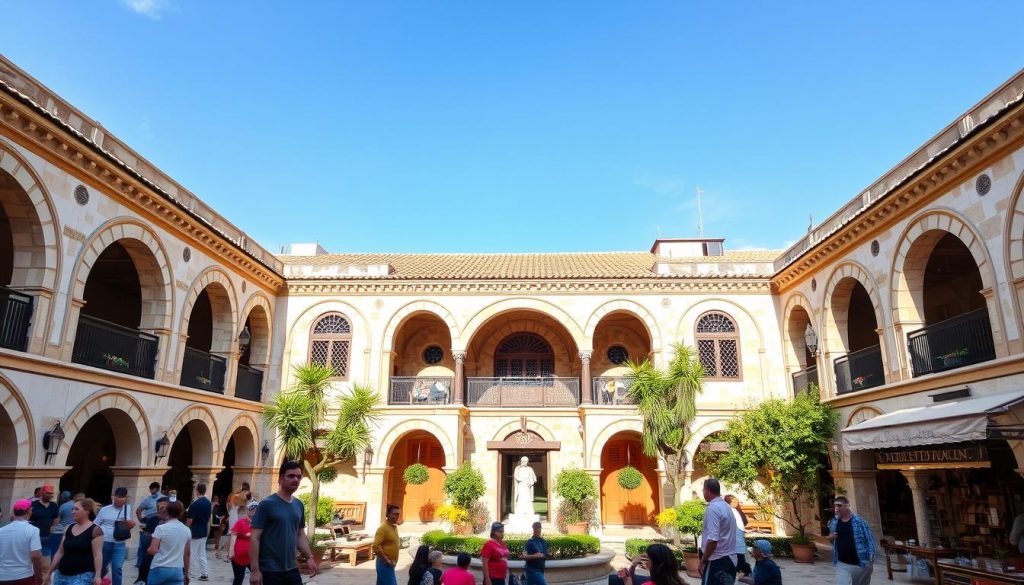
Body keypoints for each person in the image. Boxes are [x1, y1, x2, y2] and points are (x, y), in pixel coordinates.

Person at [250, 461, 317, 585]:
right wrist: (255, 570)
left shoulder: (299, 505)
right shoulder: (267, 504)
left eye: (298, 476)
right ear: (280, 479)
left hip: (292, 570)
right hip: (269, 571)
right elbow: (254, 537)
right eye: (291, 476)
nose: (295, 479)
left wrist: (309, 557)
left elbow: (300, 534)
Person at [45, 498, 103, 585]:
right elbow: (60, 552)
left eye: (76, 509)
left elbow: (97, 555)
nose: (73, 512)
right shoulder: (68, 528)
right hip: (61, 574)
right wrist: (49, 572)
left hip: (82, 576)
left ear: (87, 511)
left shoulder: (95, 530)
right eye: (72, 509)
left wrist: (97, 575)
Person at [828, 496, 876, 585]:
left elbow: (870, 540)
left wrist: (870, 561)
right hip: (842, 564)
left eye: (839, 506)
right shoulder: (833, 523)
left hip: (861, 564)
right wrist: (831, 538)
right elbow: (834, 541)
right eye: (835, 506)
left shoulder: (860, 522)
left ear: (847, 506)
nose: (836, 508)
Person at [699, 479, 738, 585]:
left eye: (703, 490)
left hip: (717, 561)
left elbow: (713, 540)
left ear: (707, 491)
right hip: (729, 559)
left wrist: (703, 560)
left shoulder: (713, 508)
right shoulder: (726, 506)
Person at [95, 487, 135, 585]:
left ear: (125, 498)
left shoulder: (127, 508)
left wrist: (130, 523)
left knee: (117, 567)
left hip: (119, 543)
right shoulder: (105, 510)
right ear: (113, 497)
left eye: (122, 497)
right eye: (118, 497)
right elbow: (96, 524)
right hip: (105, 542)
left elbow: (131, 525)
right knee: (102, 566)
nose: (120, 499)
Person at [147, 501, 191, 585]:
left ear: (167, 511)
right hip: (177, 570)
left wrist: (147, 548)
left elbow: (152, 550)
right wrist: (186, 574)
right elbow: (187, 553)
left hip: (159, 568)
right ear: (181, 512)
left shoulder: (161, 528)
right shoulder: (187, 530)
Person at [0, 499, 43, 585]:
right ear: (29, 511)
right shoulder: (33, 530)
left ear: (14, 512)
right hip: (24, 576)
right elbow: (36, 556)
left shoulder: (1, 530)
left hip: (2, 577)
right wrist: (39, 575)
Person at [612, 543, 683, 585]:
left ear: (657, 565)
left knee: (615, 579)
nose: (645, 562)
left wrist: (627, 582)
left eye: (647, 559)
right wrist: (633, 566)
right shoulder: (678, 581)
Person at [136, 497, 170, 585]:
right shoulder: (152, 519)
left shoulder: (176, 521)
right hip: (153, 557)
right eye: (158, 507)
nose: (160, 510)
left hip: (169, 562)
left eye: (162, 508)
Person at [185, 484, 211, 581]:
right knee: (202, 553)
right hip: (203, 530)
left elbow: (190, 520)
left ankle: (188, 572)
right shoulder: (208, 503)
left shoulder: (194, 504)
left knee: (190, 552)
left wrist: (186, 529)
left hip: (195, 531)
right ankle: (204, 573)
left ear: (197, 491)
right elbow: (208, 518)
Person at [135, 483, 164, 571]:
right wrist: (142, 522)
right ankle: (140, 564)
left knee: (153, 547)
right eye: (151, 489)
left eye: (154, 490)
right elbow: (138, 511)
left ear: (158, 489)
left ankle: (150, 564)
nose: (152, 492)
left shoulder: (164, 499)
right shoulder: (147, 499)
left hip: (158, 526)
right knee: (143, 547)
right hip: (147, 527)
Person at [228, 501, 257, 585]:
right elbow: (233, 537)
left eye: (256, 510)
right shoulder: (240, 522)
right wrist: (231, 552)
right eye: (252, 509)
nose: (254, 511)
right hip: (239, 556)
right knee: (239, 578)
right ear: (247, 510)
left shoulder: (259, 523)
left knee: (257, 577)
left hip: (252, 557)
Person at [32, 484, 61, 566]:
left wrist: (53, 526)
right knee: (32, 561)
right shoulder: (34, 504)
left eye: (51, 493)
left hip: (47, 537)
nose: (50, 495)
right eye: (48, 493)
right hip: (34, 536)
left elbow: (56, 517)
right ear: (42, 493)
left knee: (45, 563)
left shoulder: (54, 505)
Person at [372, 504, 401, 585]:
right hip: (384, 563)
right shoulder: (383, 528)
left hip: (390, 564)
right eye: (395, 514)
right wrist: (386, 560)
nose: (397, 516)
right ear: (388, 514)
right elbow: (376, 546)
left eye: (398, 514)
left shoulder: (393, 527)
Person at [723, 495, 750, 576]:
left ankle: (744, 570)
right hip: (734, 533)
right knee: (737, 553)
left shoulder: (735, 510)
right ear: (729, 503)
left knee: (739, 553)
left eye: (736, 501)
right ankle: (742, 569)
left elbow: (740, 523)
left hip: (738, 533)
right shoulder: (729, 510)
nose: (736, 503)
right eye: (733, 502)